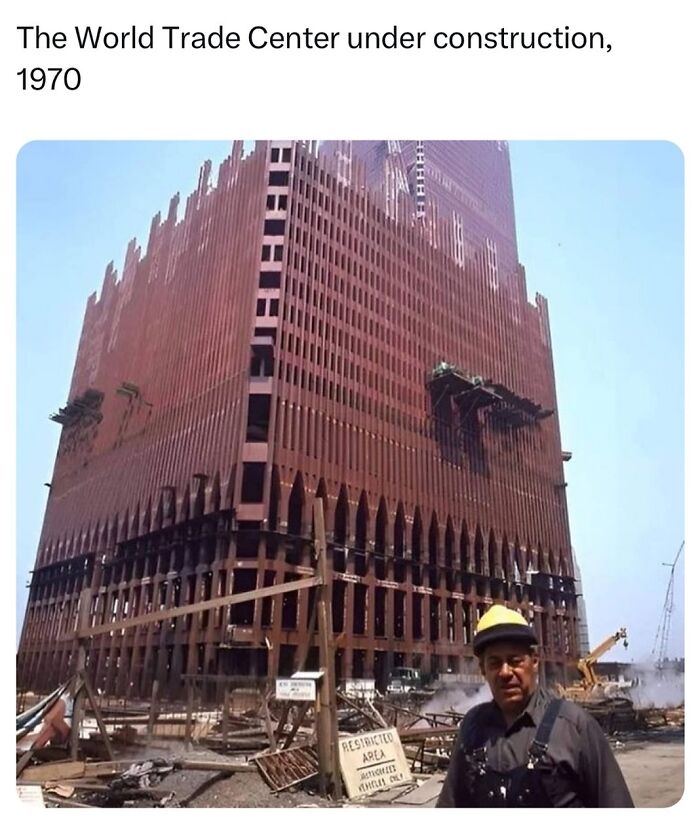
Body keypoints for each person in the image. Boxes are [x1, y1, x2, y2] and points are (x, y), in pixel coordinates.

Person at [436, 605, 634, 807]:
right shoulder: (472, 728)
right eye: (494, 663)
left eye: (515, 661)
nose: (505, 672)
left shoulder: (574, 727)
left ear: (535, 662)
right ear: (483, 670)